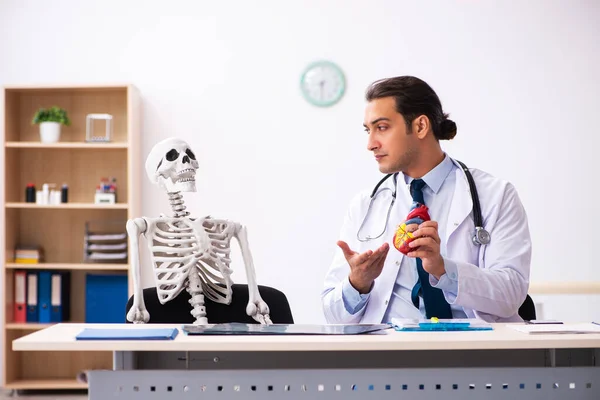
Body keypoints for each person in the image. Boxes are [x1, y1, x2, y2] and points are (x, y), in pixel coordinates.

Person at [321, 76, 531, 323]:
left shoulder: (495, 195)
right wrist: (358, 282)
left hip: (471, 349)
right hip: (388, 351)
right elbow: (333, 316)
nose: (370, 144)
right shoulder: (366, 204)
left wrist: (443, 270)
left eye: (382, 127)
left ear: (421, 126)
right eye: (368, 130)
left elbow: (512, 294)